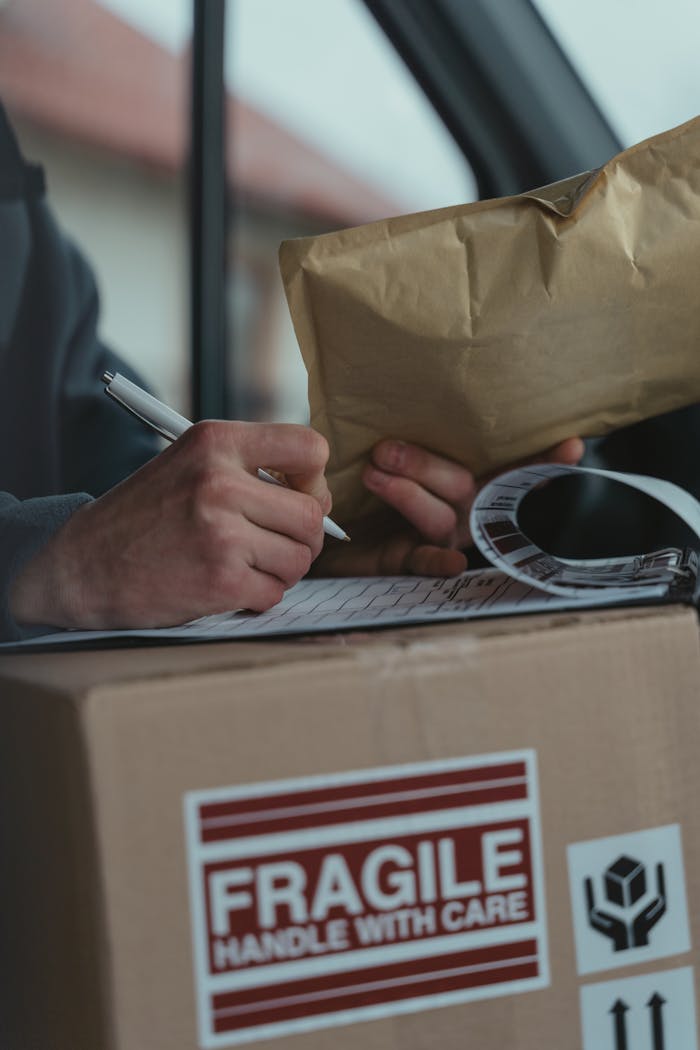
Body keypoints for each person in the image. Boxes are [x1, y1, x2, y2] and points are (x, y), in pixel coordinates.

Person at [0, 102, 584, 642]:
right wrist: (60, 565)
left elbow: (90, 452)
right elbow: (90, 536)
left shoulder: (24, 220)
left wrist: (288, 537)